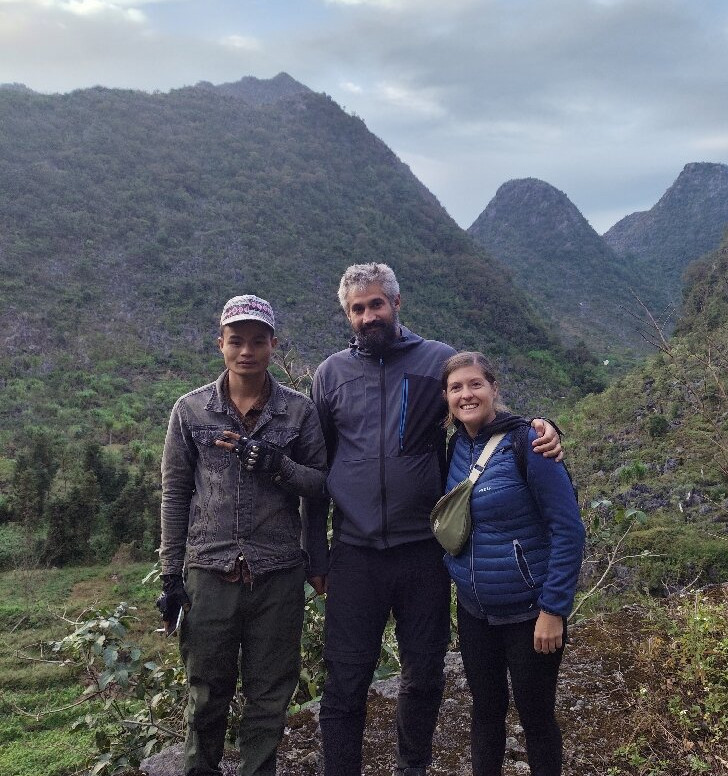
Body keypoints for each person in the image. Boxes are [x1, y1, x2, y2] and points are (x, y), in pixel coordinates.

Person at [301, 263, 563, 776]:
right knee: (346, 681)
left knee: (423, 675)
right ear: (347, 315)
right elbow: (317, 466)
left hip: (423, 551)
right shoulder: (330, 375)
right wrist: (316, 551)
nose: (368, 316)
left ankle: (412, 769)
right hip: (354, 552)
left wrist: (543, 427)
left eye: (377, 304)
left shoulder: (435, 360)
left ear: (397, 303)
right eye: (357, 308)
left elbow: (478, 410)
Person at [157, 294, 328, 776]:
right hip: (209, 570)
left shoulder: (298, 412)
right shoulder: (191, 410)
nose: (246, 351)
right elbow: (175, 493)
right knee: (205, 691)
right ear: (221, 344)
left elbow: (321, 484)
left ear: (273, 345)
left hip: (277, 572)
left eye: (257, 340)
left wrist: (279, 465)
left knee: (269, 694)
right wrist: (170, 575)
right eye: (236, 341)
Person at [440, 351, 585, 776]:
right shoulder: (455, 447)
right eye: (456, 387)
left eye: (475, 384)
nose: (466, 394)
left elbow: (568, 530)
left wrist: (553, 610)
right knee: (485, 712)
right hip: (475, 611)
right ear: (446, 398)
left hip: (529, 613)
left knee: (536, 716)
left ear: (493, 388)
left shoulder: (530, 444)